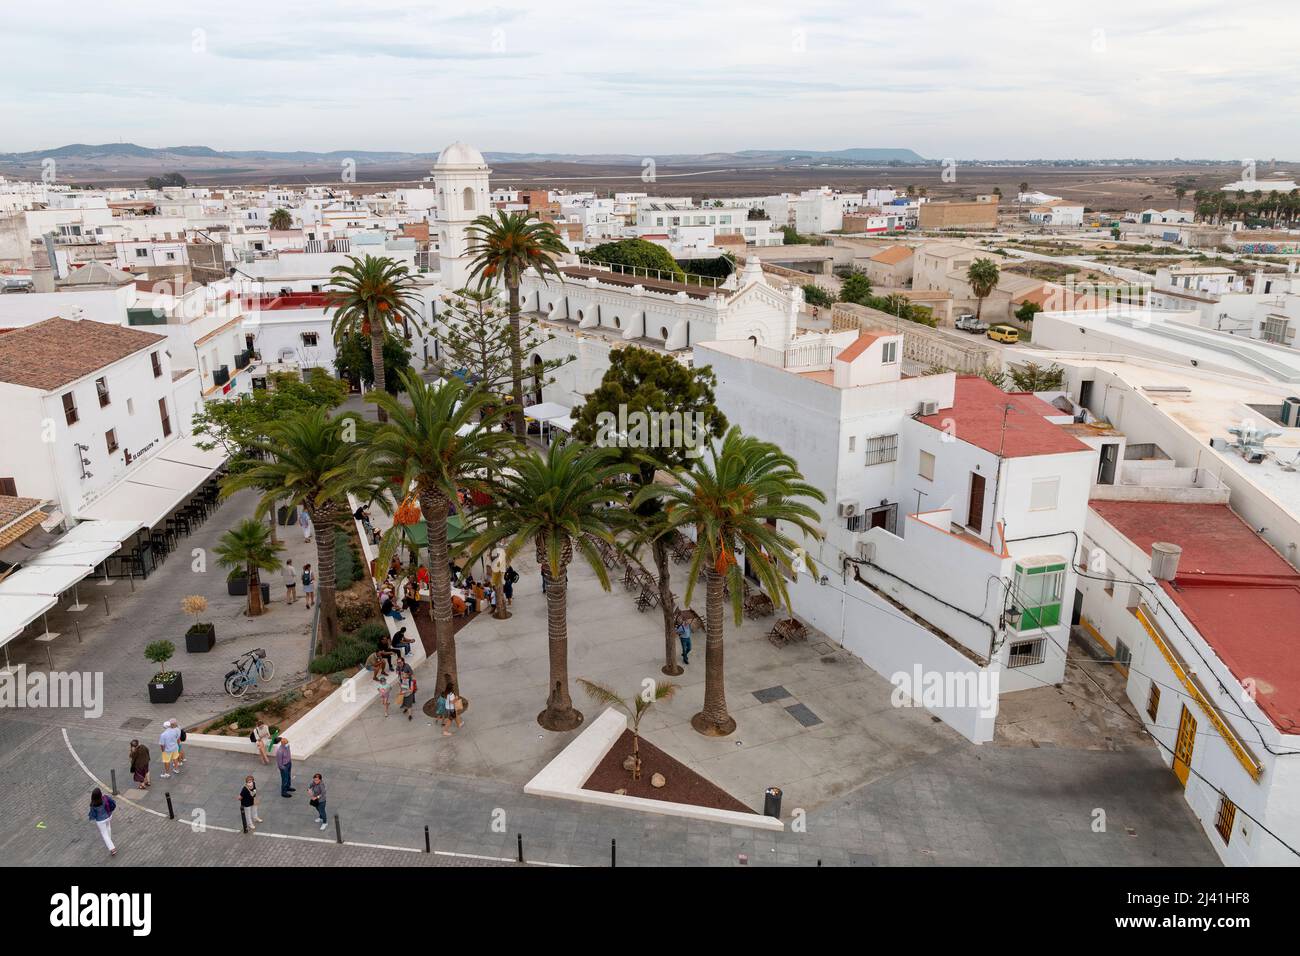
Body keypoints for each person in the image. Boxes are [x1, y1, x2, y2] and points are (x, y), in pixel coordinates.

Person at [88, 788, 117, 856]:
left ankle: (112, 848)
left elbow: (93, 814)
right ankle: (109, 841)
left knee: (104, 834)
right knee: (108, 827)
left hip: (100, 820)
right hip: (108, 816)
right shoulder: (105, 798)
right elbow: (112, 802)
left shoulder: (93, 804)